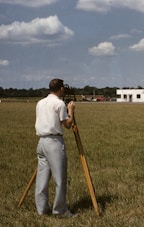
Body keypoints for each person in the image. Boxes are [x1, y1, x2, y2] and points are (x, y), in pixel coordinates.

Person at [34, 78, 76, 218]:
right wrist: (71, 110)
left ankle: (42, 209)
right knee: (60, 178)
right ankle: (60, 210)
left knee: (42, 178)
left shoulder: (40, 103)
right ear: (61, 89)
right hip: (54, 142)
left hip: (41, 142)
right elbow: (68, 124)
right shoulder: (59, 104)